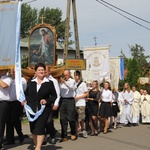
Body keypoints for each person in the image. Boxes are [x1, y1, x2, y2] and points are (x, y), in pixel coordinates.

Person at [23, 63, 57, 150]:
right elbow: (26, 94)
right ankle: (37, 145)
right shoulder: (31, 82)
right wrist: (25, 100)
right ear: (36, 72)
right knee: (33, 129)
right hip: (32, 109)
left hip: (44, 110)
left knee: (40, 128)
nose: (41, 71)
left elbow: (54, 96)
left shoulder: (49, 83)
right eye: (39, 70)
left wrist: (47, 101)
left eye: (43, 70)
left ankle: (38, 147)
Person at [5, 69, 27, 145]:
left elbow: (23, 88)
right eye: (12, 72)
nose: (14, 73)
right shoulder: (9, 79)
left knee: (14, 120)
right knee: (8, 122)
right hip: (9, 102)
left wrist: (16, 79)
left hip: (17, 102)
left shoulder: (22, 80)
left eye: (15, 72)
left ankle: (20, 134)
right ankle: (10, 140)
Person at [44, 66, 60, 144]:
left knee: (48, 121)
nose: (44, 72)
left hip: (50, 103)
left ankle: (53, 135)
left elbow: (57, 94)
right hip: (41, 104)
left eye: (46, 71)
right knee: (42, 122)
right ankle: (44, 136)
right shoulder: (40, 80)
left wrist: (56, 104)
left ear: (49, 72)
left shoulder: (53, 81)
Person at [59, 70, 77, 142]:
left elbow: (72, 88)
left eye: (66, 75)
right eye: (64, 75)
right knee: (63, 119)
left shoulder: (72, 81)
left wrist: (64, 82)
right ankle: (64, 135)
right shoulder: (61, 82)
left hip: (70, 100)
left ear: (69, 74)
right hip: (62, 100)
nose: (65, 76)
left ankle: (73, 133)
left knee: (71, 118)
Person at [0, 69, 12, 149]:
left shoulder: (8, 78)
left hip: (3, 102)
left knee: (1, 122)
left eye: (1, 70)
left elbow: (4, 86)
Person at [74, 70, 88, 138]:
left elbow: (86, 93)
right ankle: (77, 130)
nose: (75, 77)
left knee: (81, 117)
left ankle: (83, 129)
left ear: (79, 76)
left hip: (81, 103)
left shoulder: (83, 84)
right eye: (74, 75)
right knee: (75, 118)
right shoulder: (73, 83)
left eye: (76, 75)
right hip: (75, 103)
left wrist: (79, 97)